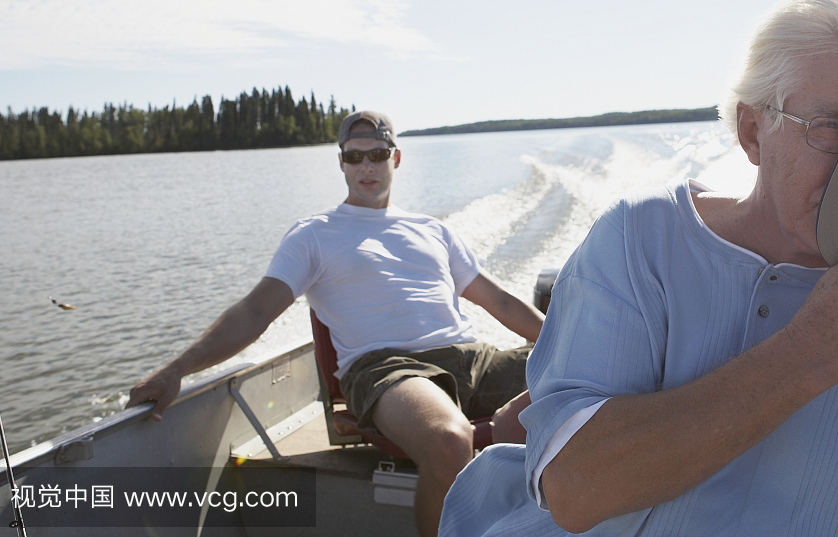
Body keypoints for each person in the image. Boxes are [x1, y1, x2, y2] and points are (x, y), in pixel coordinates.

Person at [440, 0, 838, 536]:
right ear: (752, 131)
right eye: (833, 128)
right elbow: (574, 488)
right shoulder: (642, 245)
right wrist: (815, 351)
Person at [127, 110, 544, 537]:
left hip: (473, 359)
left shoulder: (432, 230)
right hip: (390, 370)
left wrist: (563, 345)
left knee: (596, 376)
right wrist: (177, 369)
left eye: (377, 154)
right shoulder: (314, 234)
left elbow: (501, 302)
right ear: (341, 162)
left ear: (395, 159)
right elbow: (254, 312)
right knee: (449, 440)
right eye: (354, 156)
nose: (366, 166)